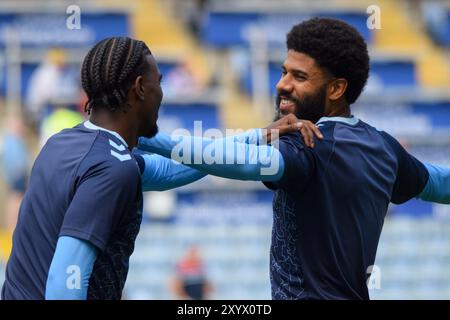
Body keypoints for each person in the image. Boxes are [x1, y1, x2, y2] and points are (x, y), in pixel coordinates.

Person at [137, 18, 450, 300]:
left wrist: (142, 134)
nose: (282, 84)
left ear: (337, 88)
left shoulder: (307, 142)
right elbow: (439, 183)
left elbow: (241, 162)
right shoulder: (384, 147)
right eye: (283, 71)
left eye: (299, 77)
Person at [1, 36, 318, 300]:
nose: (162, 94)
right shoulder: (111, 169)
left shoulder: (64, 143)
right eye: (158, 83)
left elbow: (172, 169)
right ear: (140, 87)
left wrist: (260, 134)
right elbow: (62, 284)